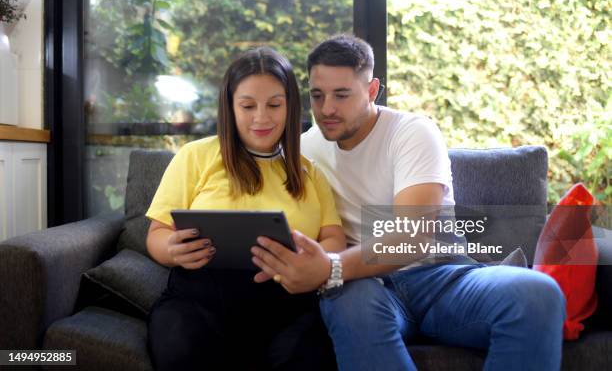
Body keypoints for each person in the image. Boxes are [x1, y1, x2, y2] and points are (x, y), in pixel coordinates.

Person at [250, 35, 566, 370]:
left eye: (342, 95)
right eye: (317, 95)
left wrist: (331, 266)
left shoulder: (412, 132)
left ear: (372, 91)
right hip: (365, 287)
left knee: (538, 294)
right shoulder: (302, 152)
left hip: (444, 277)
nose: (327, 108)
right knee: (346, 299)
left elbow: (413, 237)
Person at [145, 47, 345, 371]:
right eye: (248, 106)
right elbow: (157, 233)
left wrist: (315, 262)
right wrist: (171, 249)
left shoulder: (310, 171)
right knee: (181, 349)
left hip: (287, 305)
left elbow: (334, 238)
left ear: (290, 106)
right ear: (230, 106)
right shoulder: (195, 156)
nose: (262, 118)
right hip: (199, 301)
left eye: (275, 105)